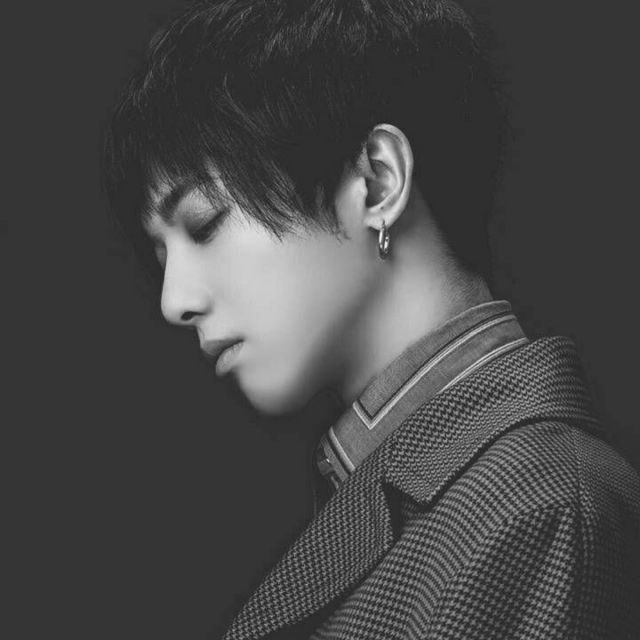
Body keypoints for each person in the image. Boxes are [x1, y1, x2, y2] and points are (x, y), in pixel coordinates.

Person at [103, 0, 640, 638]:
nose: (174, 300)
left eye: (203, 223)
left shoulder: (536, 511)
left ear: (378, 183)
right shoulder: (431, 491)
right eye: (160, 256)